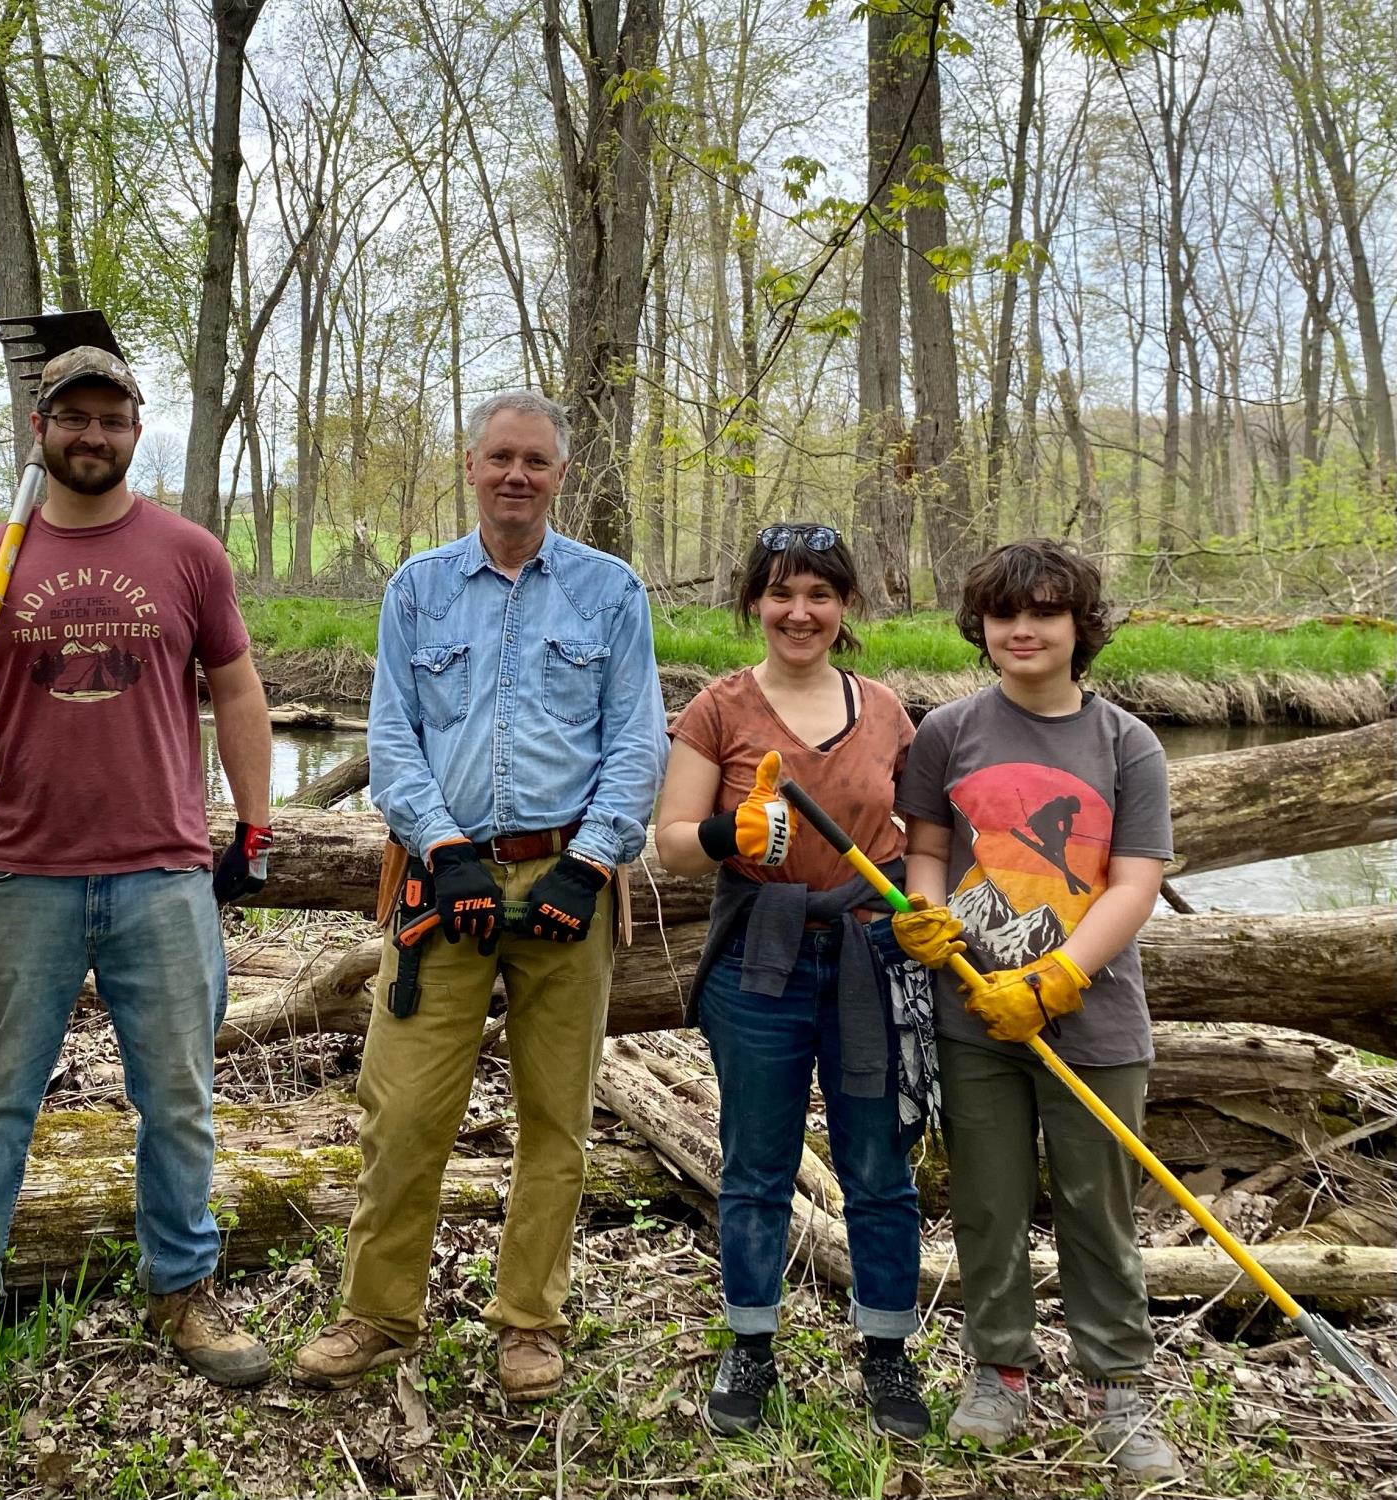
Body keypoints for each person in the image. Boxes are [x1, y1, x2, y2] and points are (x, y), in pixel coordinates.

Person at [0, 342, 277, 1425]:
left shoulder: (188, 552)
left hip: (162, 870)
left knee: (180, 1100)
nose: (93, 435)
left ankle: (183, 1289)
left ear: (134, 428)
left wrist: (249, 829)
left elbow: (237, 690)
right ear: (41, 428)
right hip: (23, 872)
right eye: (75, 418)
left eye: (111, 418)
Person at [290, 391, 666, 1403]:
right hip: (439, 887)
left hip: (565, 883)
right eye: (499, 457)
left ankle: (527, 1324)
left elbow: (637, 741)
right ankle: (376, 1314)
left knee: (556, 1120)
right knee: (404, 1109)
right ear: (469, 466)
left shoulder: (607, 591)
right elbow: (392, 734)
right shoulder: (418, 590)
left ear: (558, 475)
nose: (515, 475)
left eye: (534, 461)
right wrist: (444, 849)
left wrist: (587, 864)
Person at [891, 539, 1181, 1481]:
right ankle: (998, 1370)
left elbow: (1135, 883)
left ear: (1079, 628)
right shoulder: (948, 732)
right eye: (1005, 614)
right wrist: (925, 915)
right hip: (973, 1014)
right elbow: (927, 853)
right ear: (981, 628)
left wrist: (1059, 978)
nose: (1024, 630)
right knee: (987, 1201)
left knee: (1099, 1207)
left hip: (1092, 1022)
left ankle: (1118, 1388)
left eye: (1046, 613)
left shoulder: (1125, 743)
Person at [654, 523, 933, 1441]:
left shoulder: (890, 711)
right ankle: (751, 1345)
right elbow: (671, 844)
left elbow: (924, 840)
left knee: (877, 1166)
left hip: (870, 955)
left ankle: (888, 1355)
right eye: (781, 593)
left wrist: (924, 912)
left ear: (846, 606)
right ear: (754, 603)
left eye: (819, 594)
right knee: (757, 1166)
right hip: (758, 963)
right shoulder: (718, 710)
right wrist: (731, 834)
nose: (799, 612)